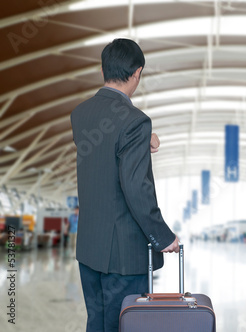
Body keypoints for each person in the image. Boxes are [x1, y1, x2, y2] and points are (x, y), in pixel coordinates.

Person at [71, 38, 179, 332]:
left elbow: (105, 150)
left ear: (105, 69)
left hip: (90, 249)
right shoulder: (136, 121)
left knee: (97, 323)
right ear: (137, 73)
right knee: (126, 325)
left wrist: (145, 138)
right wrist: (162, 236)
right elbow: (135, 187)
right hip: (125, 256)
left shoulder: (80, 114)